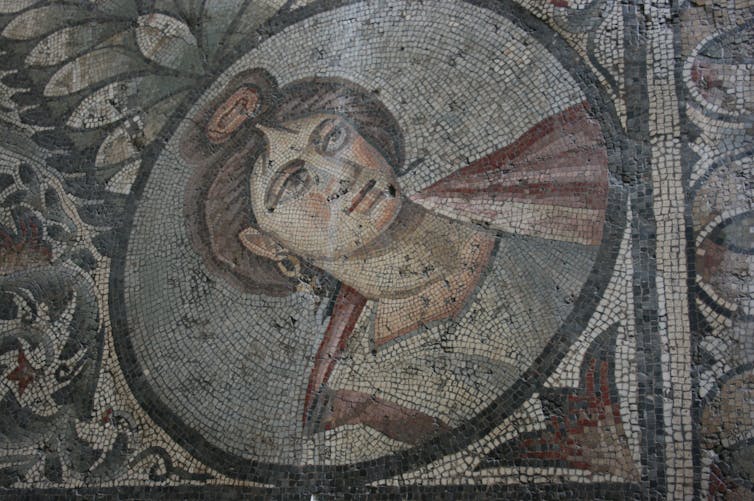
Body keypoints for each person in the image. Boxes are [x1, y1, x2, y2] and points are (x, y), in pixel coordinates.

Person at [182, 68, 609, 446]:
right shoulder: (360, 406)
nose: (342, 176)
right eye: (293, 183)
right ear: (267, 244)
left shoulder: (557, 167)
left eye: (333, 139)